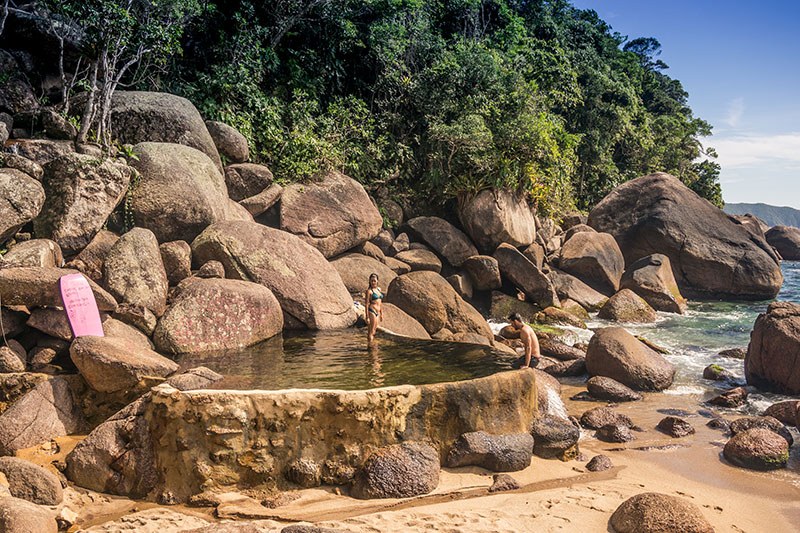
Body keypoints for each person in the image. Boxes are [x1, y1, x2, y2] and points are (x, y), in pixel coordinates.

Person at [365, 273, 384, 343]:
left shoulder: (379, 289)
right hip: (372, 311)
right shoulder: (369, 291)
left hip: (378, 312)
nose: (373, 282)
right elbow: (366, 304)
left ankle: (369, 345)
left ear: (377, 281)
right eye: (371, 281)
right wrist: (367, 317)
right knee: (371, 331)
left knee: (373, 331)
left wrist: (381, 314)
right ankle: (371, 347)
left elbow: (380, 302)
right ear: (369, 281)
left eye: (374, 281)